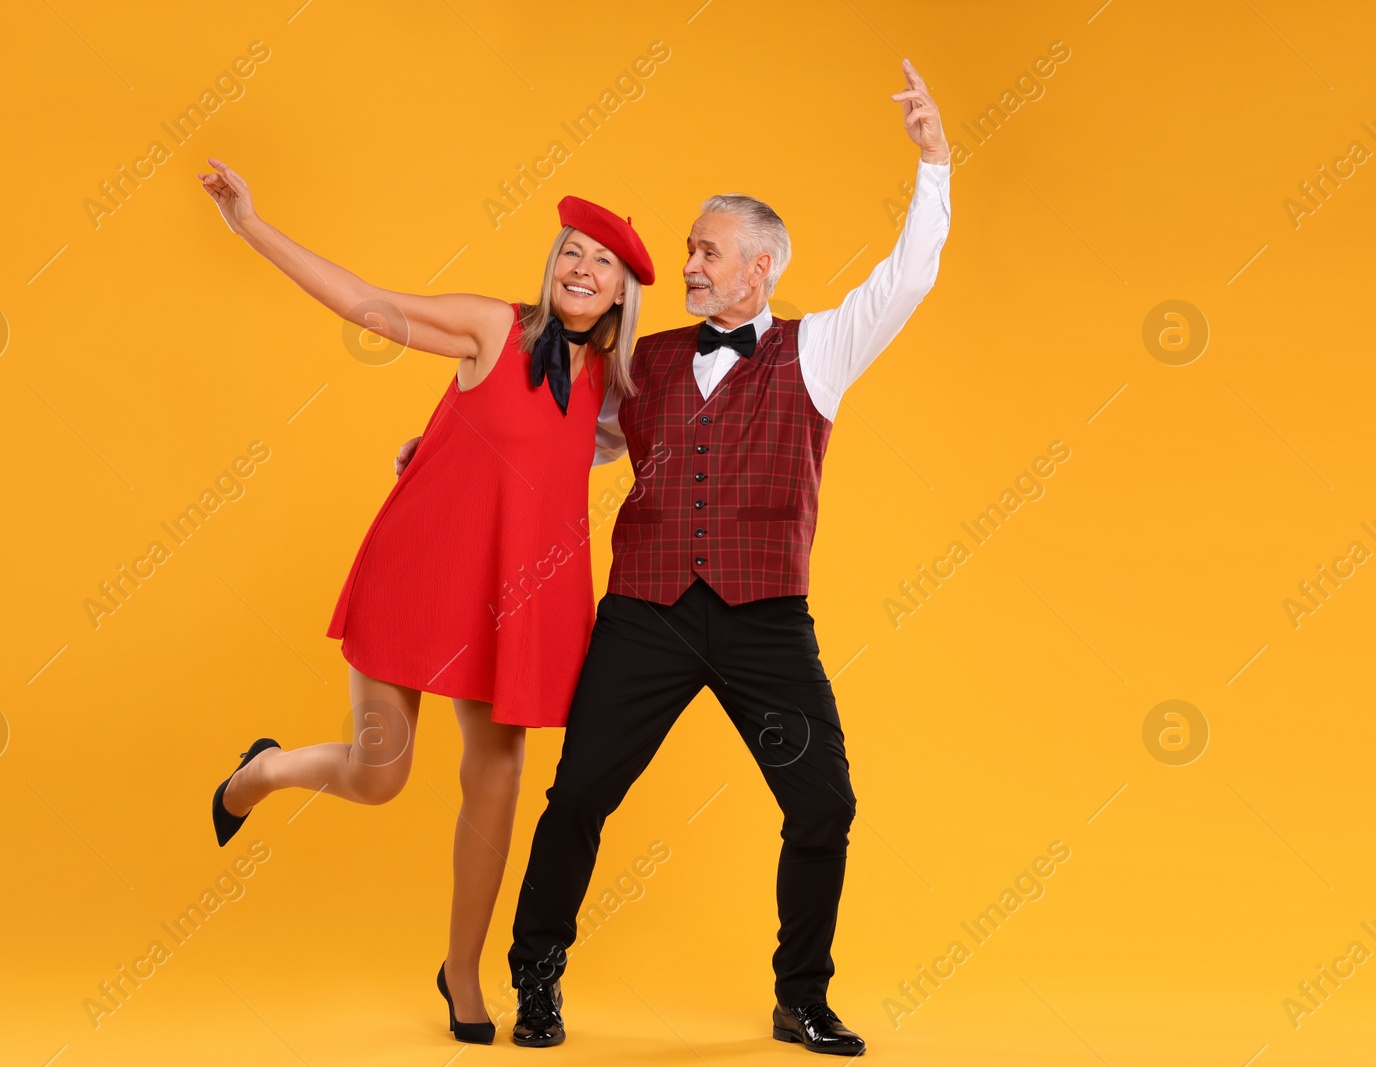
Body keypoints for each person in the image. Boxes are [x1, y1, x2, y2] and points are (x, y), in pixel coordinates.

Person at [397, 57, 953, 1055]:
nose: (687, 265)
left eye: (707, 250)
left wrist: (933, 161)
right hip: (646, 611)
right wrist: (441, 455)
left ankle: (801, 995)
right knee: (579, 796)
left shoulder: (820, 347)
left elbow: (908, 275)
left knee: (823, 802)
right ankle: (535, 976)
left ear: (761, 266)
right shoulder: (639, 360)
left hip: (762, 619)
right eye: (690, 250)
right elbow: (554, 429)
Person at [196, 158, 654, 1045]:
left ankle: (462, 969)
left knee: (501, 773)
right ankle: (262, 771)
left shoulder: (618, 391)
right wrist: (249, 224)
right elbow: (371, 304)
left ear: (624, 293)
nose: (581, 267)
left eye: (603, 262)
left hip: (521, 596)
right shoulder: (492, 328)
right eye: (572, 250)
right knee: (380, 774)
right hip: (425, 569)